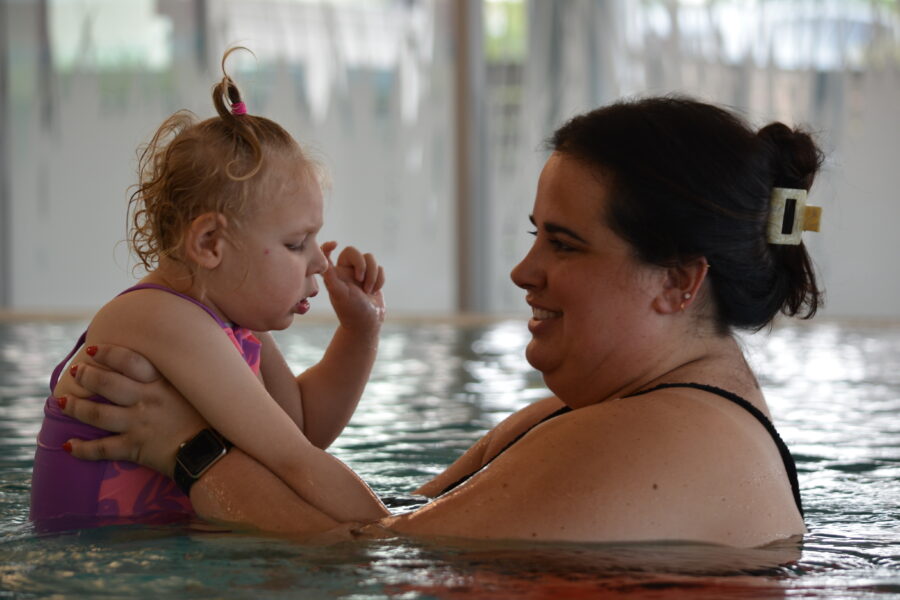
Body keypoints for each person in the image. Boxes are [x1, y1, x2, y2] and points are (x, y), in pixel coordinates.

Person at [56, 96, 824, 547]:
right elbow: (394, 524)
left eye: (564, 243)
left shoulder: (663, 438)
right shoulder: (588, 416)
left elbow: (373, 559)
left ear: (680, 281)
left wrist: (190, 455)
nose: (524, 272)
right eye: (534, 234)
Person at [30, 48, 387, 527]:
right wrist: (398, 543)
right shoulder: (160, 318)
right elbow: (296, 462)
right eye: (297, 242)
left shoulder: (229, 323)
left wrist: (360, 332)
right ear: (210, 242)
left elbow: (301, 431)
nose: (320, 261)